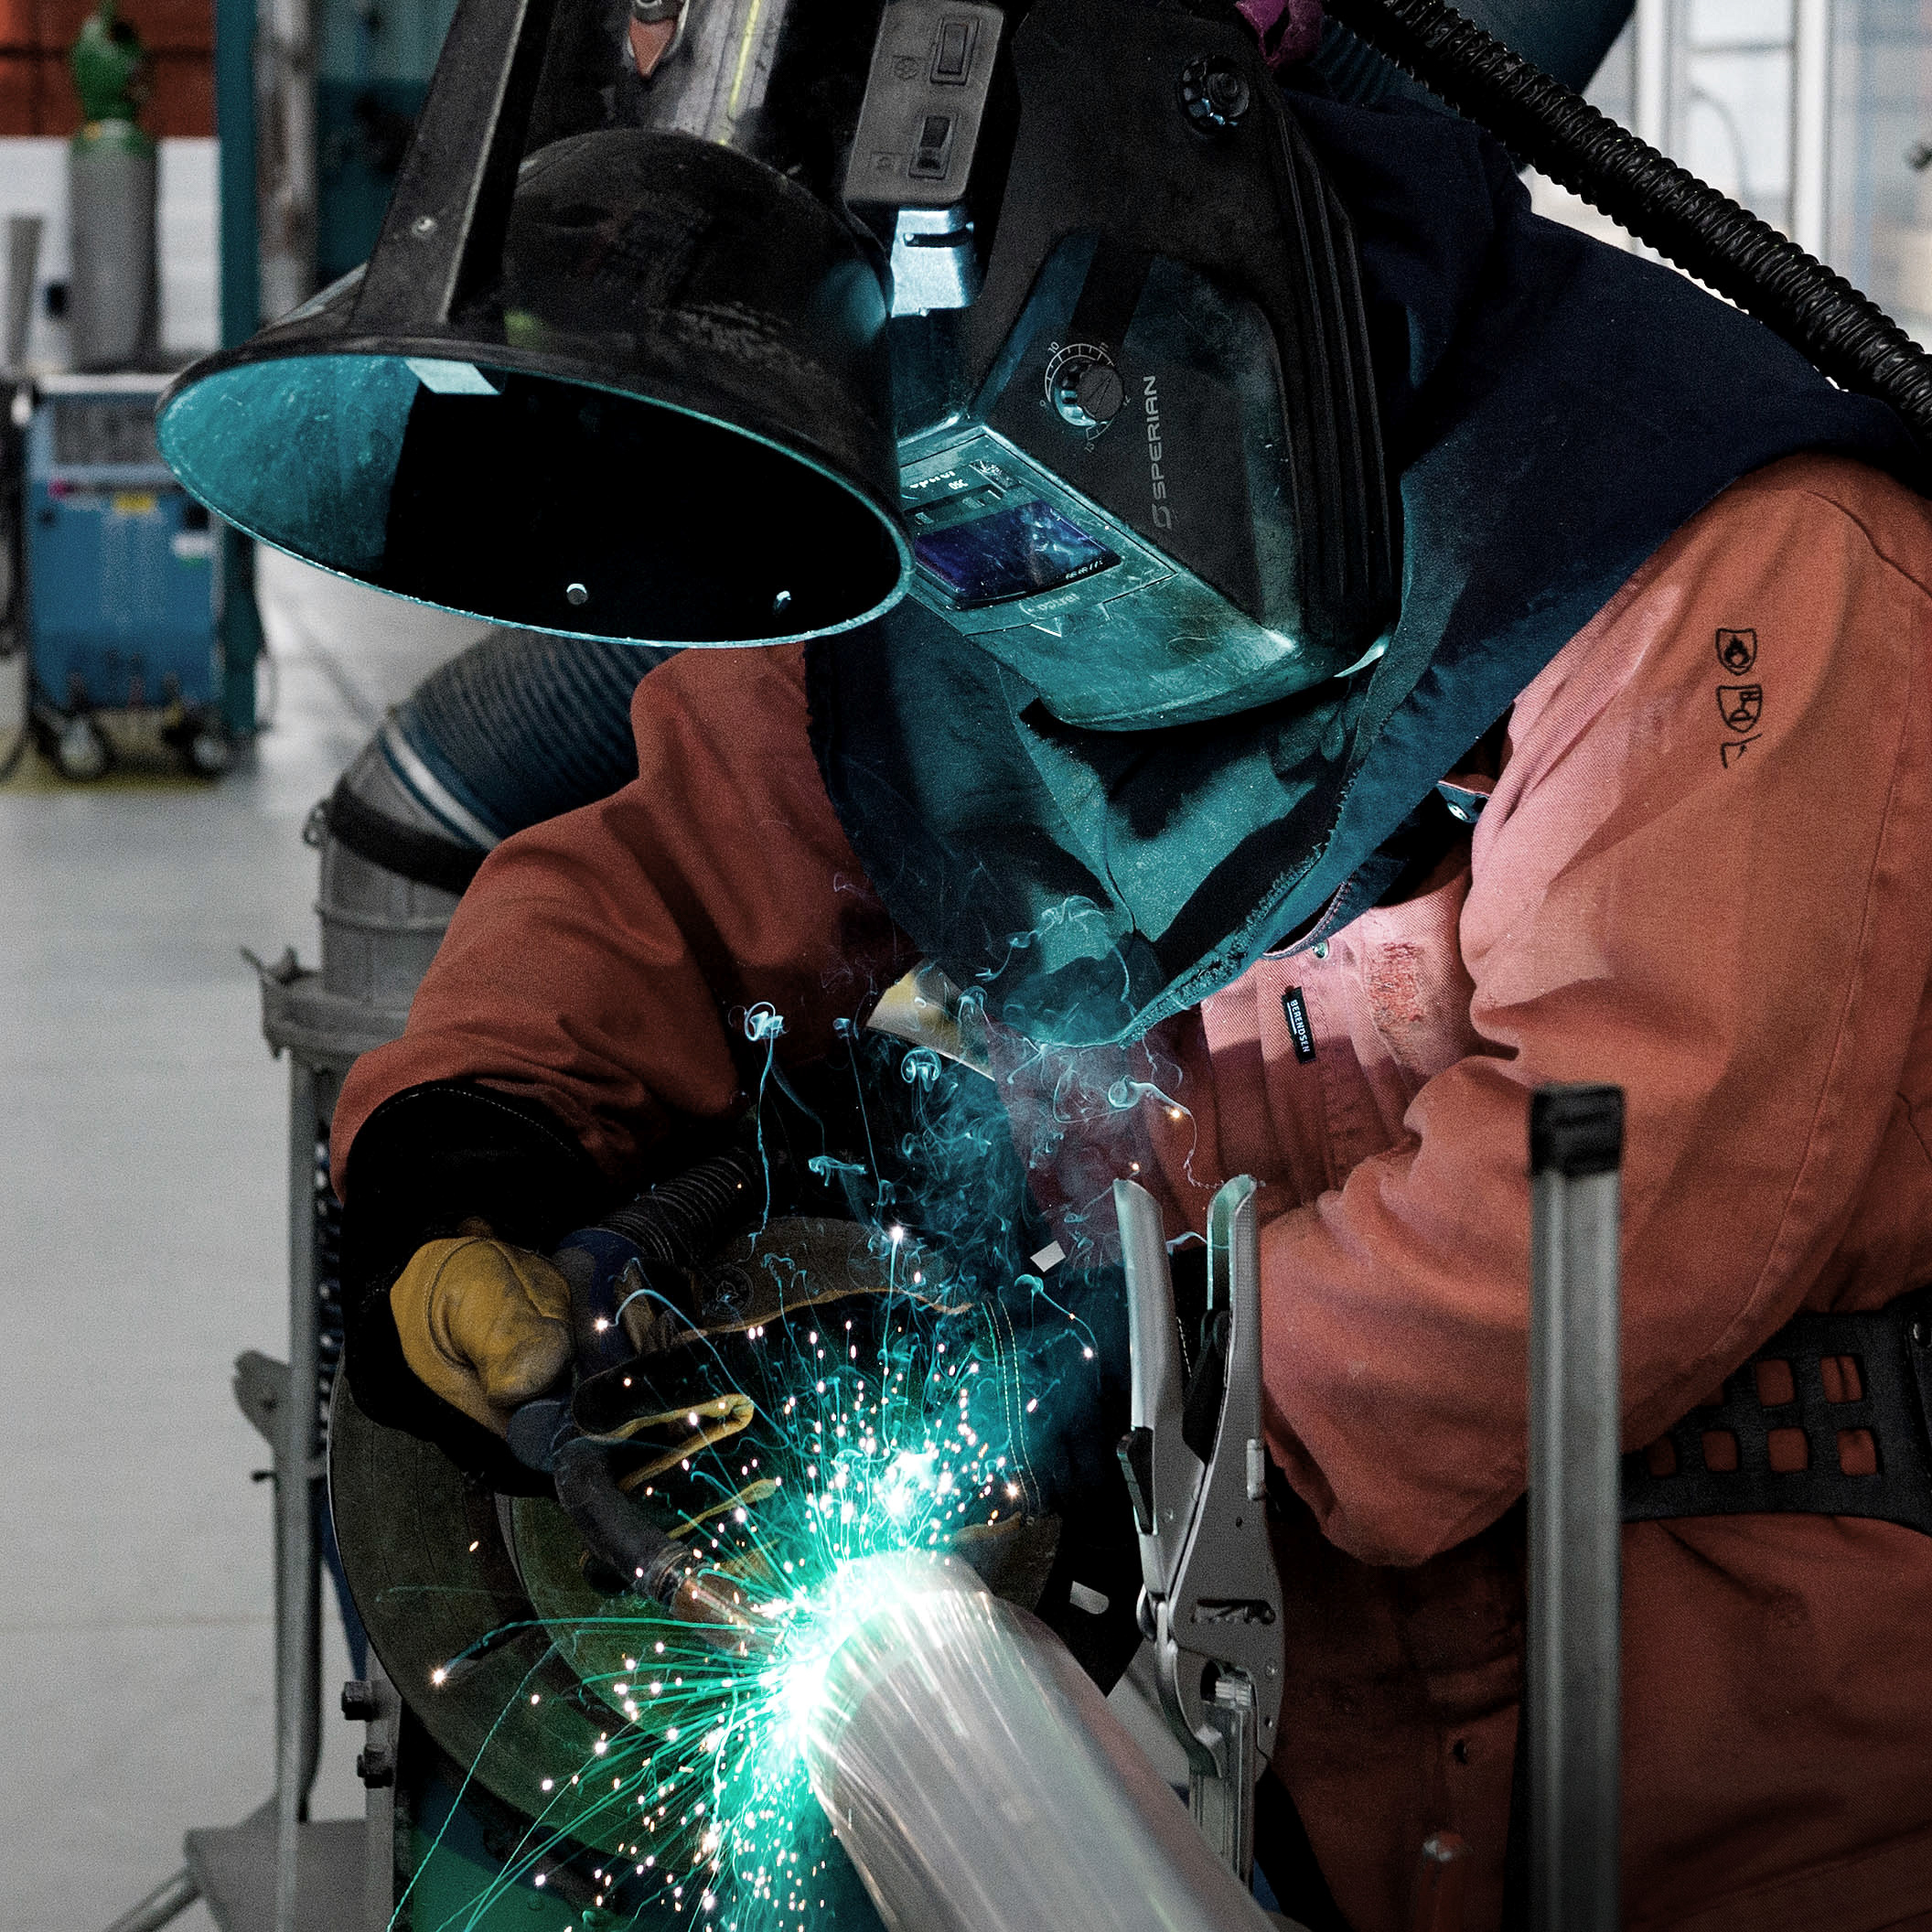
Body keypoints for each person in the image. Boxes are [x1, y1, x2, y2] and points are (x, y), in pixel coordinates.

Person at [329, 12, 1932, 1930]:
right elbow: (675, 868)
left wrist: (1087, 1392)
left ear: (1177, 335)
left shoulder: (1734, 572)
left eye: (1020, 527)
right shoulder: (930, 531)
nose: (1002, 605)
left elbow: (1622, 1194)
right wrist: (468, 1163)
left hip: (1736, 1756)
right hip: (1293, 1736)